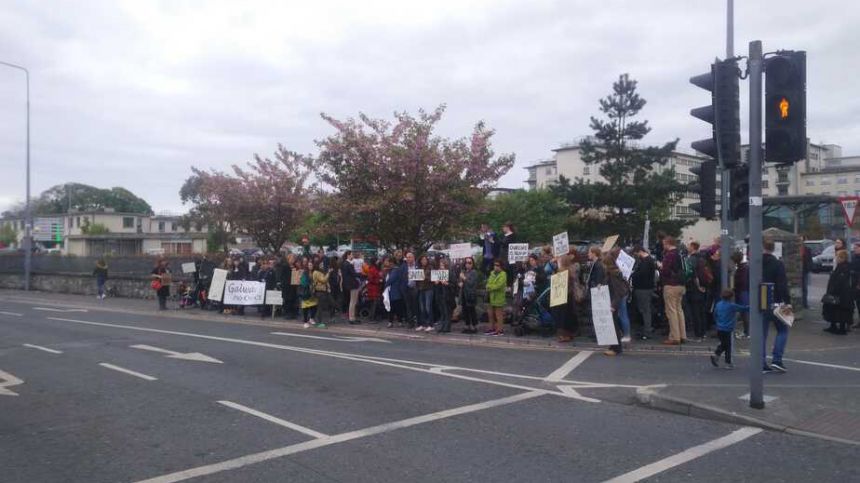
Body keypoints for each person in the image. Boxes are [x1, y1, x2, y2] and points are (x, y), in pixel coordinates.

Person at [762, 240, 790, 373]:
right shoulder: (778, 264)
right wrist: (787, 301)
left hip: (760, 302)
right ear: (773, 249)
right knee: (782, 330)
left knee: (761, 334)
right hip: (776, 301)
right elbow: (782, 285)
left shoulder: (755, 263)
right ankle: (777, 360)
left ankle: (761, 362)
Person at [710, 289, 749, 369]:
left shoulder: (718, 304)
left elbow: (715, 314)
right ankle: (727, 362)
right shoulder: (732, 306)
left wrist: (717, 322)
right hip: (728, 329)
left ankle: (716, 356)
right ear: (731, 297)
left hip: (719, 328)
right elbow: (743, 308)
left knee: (724, 344)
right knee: (728, 346)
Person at [660, 236, 686, 345]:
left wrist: (660, 266)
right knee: (679, 310)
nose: (663, 246)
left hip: (671, 285)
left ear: (667, 243)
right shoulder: (680, 254)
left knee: (671, 311)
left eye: (664, 244)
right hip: (681, 285)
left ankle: (674, 337)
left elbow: (665, 271)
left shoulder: (669, 255)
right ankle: (682, 335)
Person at [685, 241, 712, 342]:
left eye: (688, 245)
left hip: (694, 288)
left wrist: (698, 286)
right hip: (705, 288)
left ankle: (698, 335)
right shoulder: (703, 258)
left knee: (695, 312)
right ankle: (703, 333)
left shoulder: (691, 259)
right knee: (702, 311)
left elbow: (691, 274)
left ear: (692, 247)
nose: (687, 247)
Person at [551, 254, 582, 342]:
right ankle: (568, 334)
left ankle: (565, 335)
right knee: (568, 316)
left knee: (563, 317)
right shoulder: (570, 270)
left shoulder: (564, 271)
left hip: (564, 297)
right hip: (567, 296)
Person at [604, 252, 629, 356]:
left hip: (614, 302)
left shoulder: (614, 275)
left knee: (614, 325)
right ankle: (613, 346)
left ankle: (616, 348)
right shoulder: (612, 273)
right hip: (612, 300)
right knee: (612, 325)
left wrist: (613, 305)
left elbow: (618, 292)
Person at [823, 249, 852, 335]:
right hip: (836, 292)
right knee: (833, 309)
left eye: (837, 256)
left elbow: (840, 280)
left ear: (842, 258)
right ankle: (833, 326)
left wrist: (833, 290)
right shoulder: (839, 266)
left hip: (841, 294)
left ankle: (842, 329)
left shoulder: (845, 267)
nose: (836, 258)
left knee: (841, 311)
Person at [631, 246, 655, 340]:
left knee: (645, 310)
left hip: (643, 288)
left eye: (636, 254)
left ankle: (647, 331)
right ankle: (646, 329)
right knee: (645, 309)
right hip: (645, 288)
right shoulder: (648, 260)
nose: (636, 256)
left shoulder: (646, 261)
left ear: (640, 252)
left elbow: (641, 274)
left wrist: (632, 274)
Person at [485, 259, 508, 336]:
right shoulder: (492, 273)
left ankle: (500, 330)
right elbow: (488, 283)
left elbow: (499, 285)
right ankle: (492, 328)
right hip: (491, 297)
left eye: (497, 265)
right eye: (495, 265)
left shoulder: (503, 274)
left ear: (501, 266)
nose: (495, 267)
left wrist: (490, 287)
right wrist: (490, 286)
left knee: (498, 315)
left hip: (498, 297)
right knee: (490, 314)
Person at [300, 259, 324, 329]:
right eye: (309, 265)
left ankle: (311, 318)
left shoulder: (315, 272)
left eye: (311, 265)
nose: (310, 266)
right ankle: (305, 322)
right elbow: (303, 282)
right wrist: (310, 284)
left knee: (314, 306)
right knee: (305, 308)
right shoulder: (305, 273)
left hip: (313, 292)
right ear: (307, 266)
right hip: (306, 292)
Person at [731, 251, 750, 339]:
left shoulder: (742, 269)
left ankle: (747, 332)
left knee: (743, 312)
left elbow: (742, 281)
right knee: (743, 312)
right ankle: (746, 331)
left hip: (742, 292)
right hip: (743, 291)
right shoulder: (744, 267)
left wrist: (734, 285)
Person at [384, 256, 407, 328]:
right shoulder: (392, 270)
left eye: (388, 262)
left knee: (395, 307)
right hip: (393, 292)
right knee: (393, 307)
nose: (386, 263)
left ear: (391, 263)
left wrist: (385, 285)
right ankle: (393, 322)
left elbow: (391, 280)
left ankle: (396, 322)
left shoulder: (395, 270)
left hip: (395, 291)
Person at [459, 257, 480, 334]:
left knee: (471, 311)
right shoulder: (463, 272)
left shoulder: (474, 272)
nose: (467, 264)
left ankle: (474, 326)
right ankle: (467, 325)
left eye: (469, 263)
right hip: (464, 294)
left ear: (472, 264)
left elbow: (472, 283)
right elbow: (461, 282)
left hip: (470, 294)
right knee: (465, 311)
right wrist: (460, 283)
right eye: (466, 263)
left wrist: (464, 278)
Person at [415, 255, 435, 332]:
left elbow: (433, 278)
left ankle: (431, 324)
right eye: (422, 260)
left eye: (425, 259)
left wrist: (425, 277)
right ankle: (423, 324)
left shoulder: (430, 267)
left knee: (428, 307)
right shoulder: (418, 268)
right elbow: (416, 279)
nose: (423, 261)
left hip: (429, 289)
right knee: (422, 308)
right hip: (421, 289)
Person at [341, 251, 361, 325]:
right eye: (351, 254)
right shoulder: (348, 264)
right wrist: (362, 274)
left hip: (349, 284)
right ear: (348, 255)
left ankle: (352, 317)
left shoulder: (345, 263)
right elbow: (354, 274)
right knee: (353, 301)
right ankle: (351, 318)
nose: (352, 256)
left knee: (353, 301)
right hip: (352, 284)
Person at [433, 257, 453, 332]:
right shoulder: (438, 273)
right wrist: (436, 282)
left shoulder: (450, 273)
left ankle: (447, 327)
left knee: (447, 311)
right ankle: (442, 326)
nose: (441, 267)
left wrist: (447, 283)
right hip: (439, 294)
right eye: (440, 265)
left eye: (443, 265)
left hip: (447, 295)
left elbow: (453, 284)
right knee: (442, 311)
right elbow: (435, 284)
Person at [313, 261, 334, 325]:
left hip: (324, 291)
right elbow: (324, 280)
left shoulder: (321, 272)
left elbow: (326, 281)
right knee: (320, 307)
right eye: (321, 264)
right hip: (319, 291)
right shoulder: (316, 272)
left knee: (331, 303)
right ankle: (319, 321)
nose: (322, 265)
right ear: (317, 265)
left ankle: (330, 317)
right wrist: (328, 273)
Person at [404, 251, 419, 327]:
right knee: (408, 306)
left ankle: (418, 320)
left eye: (410, 257)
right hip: (407, 288)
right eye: (407, 257)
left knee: (415, 305)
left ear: (413, 258)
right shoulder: (404, 267)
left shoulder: (417, 266)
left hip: (415, 288)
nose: (408, 259)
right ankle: (410, 322)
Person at [365, 257, 383, 322]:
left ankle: (372, 317)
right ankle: (371, 318)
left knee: (373, 303)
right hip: (373, 288)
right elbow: (371, 279)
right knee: (374, 303)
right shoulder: (373, 269)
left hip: (374, 288)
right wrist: (379, 281)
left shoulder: (373, 268)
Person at [801, 236, 812, 309]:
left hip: (804, 270)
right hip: (798, 270)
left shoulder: (807, 249)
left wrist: (809, 268)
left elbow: (810, 260)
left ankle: (805, 304)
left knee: (804, 288)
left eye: (802, 240)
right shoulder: (795, 249)